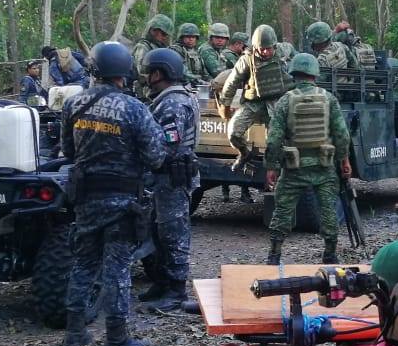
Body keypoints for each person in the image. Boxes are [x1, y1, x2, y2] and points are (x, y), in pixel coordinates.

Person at [60, 41, 166, 346]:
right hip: (122, 202)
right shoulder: (134, 109)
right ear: (123, 73)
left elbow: (68, 151)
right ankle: (117, 339)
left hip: (86, 200)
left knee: (83, 264)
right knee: (117, 269)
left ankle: (74, 333)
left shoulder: (72, 105)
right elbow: (157, 156)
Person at [263, 53, 352, 264]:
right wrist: (344, 160)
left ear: (294, 73)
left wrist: (272, 167)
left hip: (294, 169)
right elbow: (341, 134)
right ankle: (330, 253)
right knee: (328, 210)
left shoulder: (285, 101)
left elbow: (274, 138)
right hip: (324, 167)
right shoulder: (329, 99)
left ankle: (274, 255)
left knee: (283, 210)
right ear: (314, 73)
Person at [138, 47, 200, 312]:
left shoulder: (173, 103)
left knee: (173, 234)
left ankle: (176, 290)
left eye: (151, 72)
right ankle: (162, 283)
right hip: (164, 177)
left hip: (172, 177)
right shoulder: (166, 99)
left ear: (160, 73)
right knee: (158, 232)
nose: (147, 78)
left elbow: (166, 146)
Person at [218, 24, 292, 173]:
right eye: (261, 48)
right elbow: (232, 82)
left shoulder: (283, 51)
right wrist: (225, 106)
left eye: (269, 48)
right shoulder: (247, 59)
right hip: (254, 103)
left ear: (275, 45)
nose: (265, 52)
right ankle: (245, 154)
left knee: (275, 141)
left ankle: (278, 172)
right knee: (233, 132)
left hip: (276, 103)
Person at [132, 14, 175, 98]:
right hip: (145, 92)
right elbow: (141, 72)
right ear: (152, 30)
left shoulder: (160, 47)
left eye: (166, 35)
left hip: (159, 89)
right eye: (163, 34)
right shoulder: (143, 47)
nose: (165, 37)